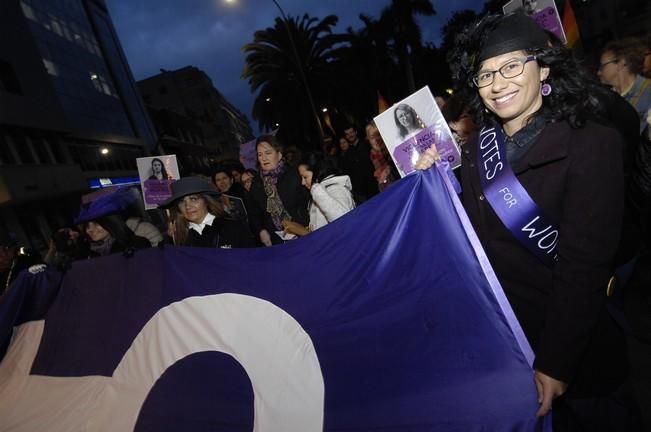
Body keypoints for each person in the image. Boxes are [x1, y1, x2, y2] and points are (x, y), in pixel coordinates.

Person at [416, 12, 630, 429]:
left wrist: (556, 363)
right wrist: (435, 178)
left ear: (543, 66)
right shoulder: (479, 148)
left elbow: (584, 268)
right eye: (485, 74)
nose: (498, 84)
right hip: (510, 345)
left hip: (575, 350)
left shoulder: (592, 144)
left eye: (511, 66)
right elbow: (471, 233)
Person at [246, 135, 309, 246]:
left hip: (303, 235)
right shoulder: (256, 184)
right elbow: (254, 214)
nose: (264, 158)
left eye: (268, 153)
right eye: (260, 154)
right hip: (276, 242)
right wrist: (261, 230)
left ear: (279, 154)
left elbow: (309, 203)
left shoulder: (295, 175)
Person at [161, 176, 255, 248]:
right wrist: (169, 240)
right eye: (181, 202)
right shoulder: (178, 238)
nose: (188, 206)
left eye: (193, 199)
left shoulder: (234, 227)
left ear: (206, 201)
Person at [282, 152, 355, 236]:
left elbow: (343, 221)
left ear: (317, 172)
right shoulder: (319, 191)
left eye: (305, 177)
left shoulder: (336, 189)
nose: (302, 182)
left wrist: (315, 187)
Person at [598, 37, 651, 134]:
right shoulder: (605, 100)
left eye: (602, 66)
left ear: (621, 64)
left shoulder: (648, 93)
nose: (599, 72)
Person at [365, 122, 399, 191]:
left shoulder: (395, 153)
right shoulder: (371, 161)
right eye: (372, 137)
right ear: (368, 139)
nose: (376, 140)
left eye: (378, 135)